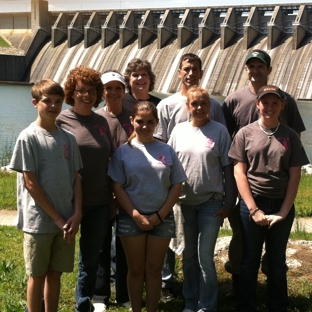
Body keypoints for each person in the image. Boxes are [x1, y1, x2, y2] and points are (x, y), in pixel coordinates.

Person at [222, 49, 306, 297]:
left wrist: (283, 209)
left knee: (276, 256)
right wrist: (246, 202)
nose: (256, 70)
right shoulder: (235, 105)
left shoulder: (287, 117)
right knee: (246, 248)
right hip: (247, 192)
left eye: (261, 66)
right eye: (252, 66)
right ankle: (242, 295)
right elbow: (233, 156)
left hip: (279, 194)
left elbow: (295, 158)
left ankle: (274, 299)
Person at [154, 53, 226, 299]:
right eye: (186, 68)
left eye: (195, 69)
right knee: (179, 246)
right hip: (179, 195)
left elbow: (222, 153)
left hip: (209, 198)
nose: (190, 73)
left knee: (203, 254)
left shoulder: (215, 108)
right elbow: (163, 150)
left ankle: (205, 301)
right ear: (179, 72)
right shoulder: (166, 106)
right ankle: (171, 286)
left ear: (201, 72)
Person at [9, 79, 82, 312]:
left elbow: (76, 178)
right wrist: (57, 218)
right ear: (35, 103)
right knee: (37, 275)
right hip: (39, 222)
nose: (53, 106)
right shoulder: (28, 137)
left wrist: (76, 213)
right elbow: (31, 183)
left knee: (55, 274)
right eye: (47, 101)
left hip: (66, 220)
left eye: (58, 102)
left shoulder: (68, 138)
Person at [108, 101, 187, 312]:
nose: (144, 126)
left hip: (162, 219)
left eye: (150, 122)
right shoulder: (123, 152)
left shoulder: (166, 150)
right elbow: (117, 186)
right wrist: (135, 215)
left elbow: (177, 184)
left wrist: (160, 215)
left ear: (156, 123)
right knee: (135, 270)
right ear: (131, 121)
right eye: (140, 121)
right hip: (130, 219)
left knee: (154, 270)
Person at [168, 86, 237, 312]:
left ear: (210, 107)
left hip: (211, 203)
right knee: (188, 256)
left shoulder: (219, 132)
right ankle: (190, 301)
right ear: (188, 106)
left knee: (204, 257)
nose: (198, 108)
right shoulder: (178, 131)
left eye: (203, 104)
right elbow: (169, 167)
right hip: (183, 204)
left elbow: (228, 169)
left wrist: (229, 201)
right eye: (194, 104)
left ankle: (207, 306)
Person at [56, 65, 113, 312]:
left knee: (90, 260)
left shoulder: (102, 121)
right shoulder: (61, 120)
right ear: (72, 91)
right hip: (67, 202)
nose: (86, 95)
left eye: (91, 90)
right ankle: (45, 303)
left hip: (100, 201)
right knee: (56, 257)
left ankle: (82, 303)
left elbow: (109, 158)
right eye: (81, 90)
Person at [93, 71, 133, 312]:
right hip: (101, 191)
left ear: (124, 90)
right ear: (102, 92)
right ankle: (99, 296)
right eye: (108, 88)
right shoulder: (96, 118)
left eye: (118, 87)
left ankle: (124, 293)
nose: (114, 92)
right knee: (101, 243)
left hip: (129, 191)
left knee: (126, 244)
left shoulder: (134, 117)